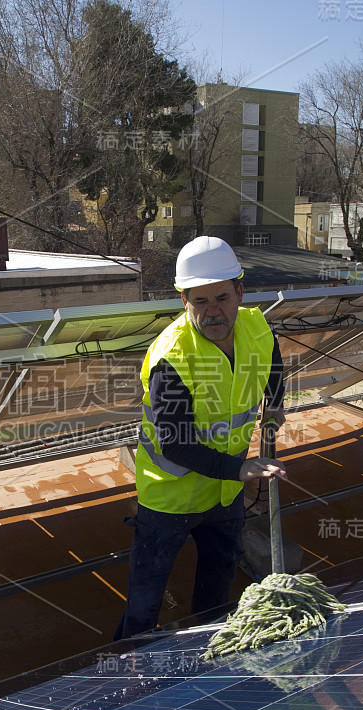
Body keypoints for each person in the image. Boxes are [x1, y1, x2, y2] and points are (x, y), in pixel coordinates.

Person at [113, 236, 286, 641]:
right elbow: (175, 443)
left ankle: (206, 652)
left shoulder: (256, 327)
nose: (214, 311)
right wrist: (240, 468)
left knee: (218, 587)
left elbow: (273, 360)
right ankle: (126, 671)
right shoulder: (171, 359)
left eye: (222, 297)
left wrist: (275, 402)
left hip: (224, 494)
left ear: (239, 292)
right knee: (145, 600)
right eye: (200, 301)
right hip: (170, 499)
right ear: (183, 301)